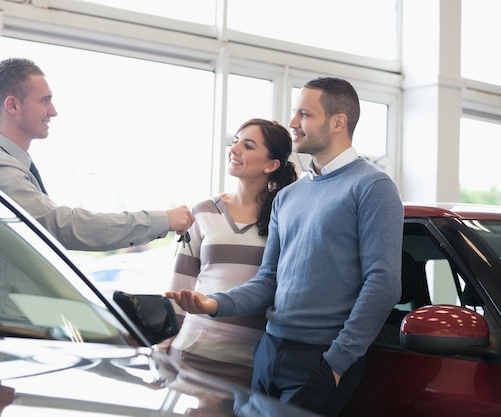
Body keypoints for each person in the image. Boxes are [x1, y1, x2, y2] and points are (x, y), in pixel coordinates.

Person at [166, 77, 404, 417]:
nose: (293, 122)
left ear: (338, 122)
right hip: (269, 350)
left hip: (319, 358)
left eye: (305, 114)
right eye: (295, 113)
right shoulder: (289, 197)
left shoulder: (373, 186)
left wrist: (337, 362)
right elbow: (269, 281)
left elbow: (382, 283)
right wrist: (214, 303)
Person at [0, 57, 193, 317]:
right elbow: (63, 226)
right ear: (12, 105)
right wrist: (162, 220)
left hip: (22, 320)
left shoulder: (8, 166)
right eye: (44, 100)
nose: (53, 111)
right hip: (2, 327)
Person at [162, 118, 297, 388]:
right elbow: (180, 285)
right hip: (193, 355)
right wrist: (162, 342)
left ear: (271, 165)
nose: (234, 149)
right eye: (235, 141)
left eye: (247, 145)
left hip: (252, 364)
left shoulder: (285, 218)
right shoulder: (204, 211)